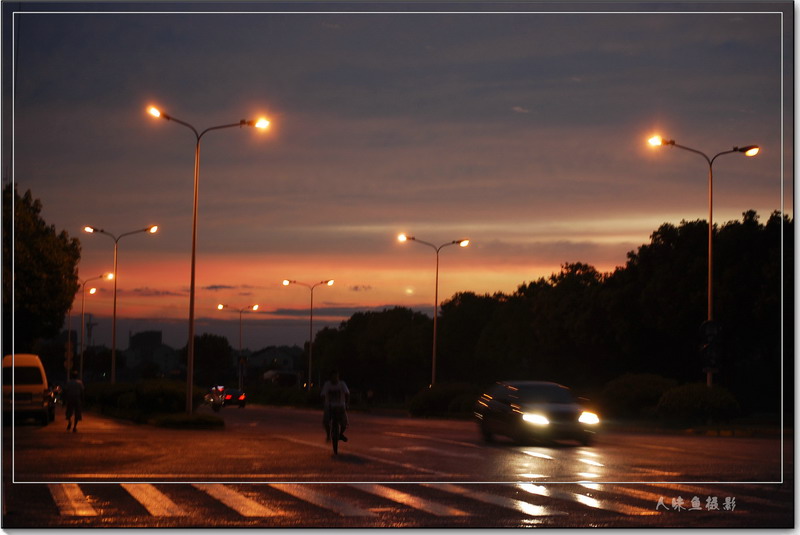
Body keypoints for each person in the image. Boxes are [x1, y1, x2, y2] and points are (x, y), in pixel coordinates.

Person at [320, 370, 350, 443]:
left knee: (344, 423)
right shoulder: (327, 384)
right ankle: (328, 435)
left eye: (336, 377)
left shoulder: (342, 384)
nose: (335, 378)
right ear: (330, 378)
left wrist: (347, 404)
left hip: (340, 406)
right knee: (326, 421)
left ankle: (341, 434)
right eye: (333, 377)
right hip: (329, 406)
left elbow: (347, 394)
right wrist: (324, 404)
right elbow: (323, 395)